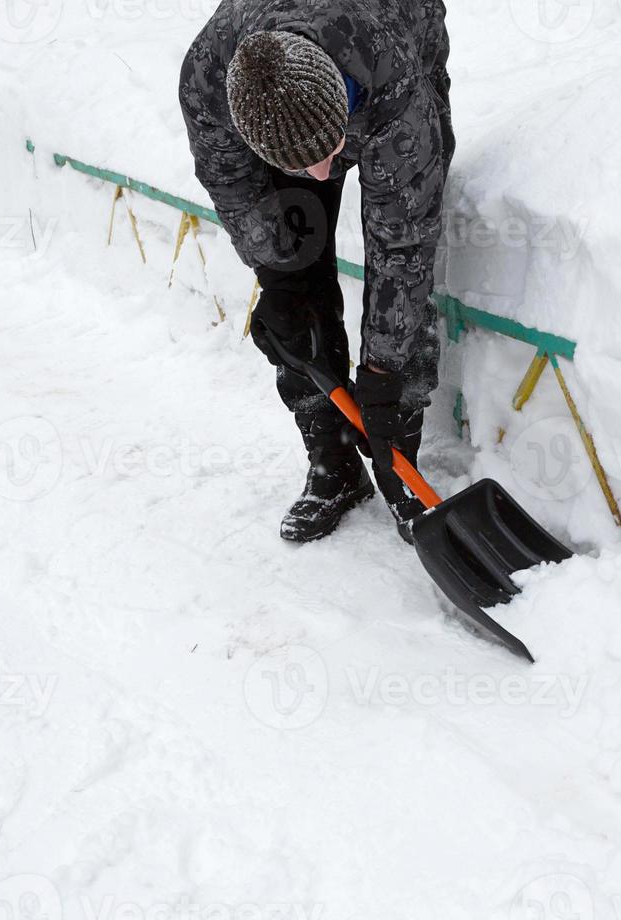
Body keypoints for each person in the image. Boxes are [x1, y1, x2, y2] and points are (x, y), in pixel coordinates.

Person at [179, 0, 454, 543]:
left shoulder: (392, 78)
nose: (329, 173)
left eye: (332, 150)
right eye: (308, 163)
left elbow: (402, 244)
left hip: (391, 41)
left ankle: (401, 466)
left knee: (399, 296)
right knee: (296, 293)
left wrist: (383, 374)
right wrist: (279, 277)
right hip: (285, 98)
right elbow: (236, 190)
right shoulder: (207, 84)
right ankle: (335, 466)